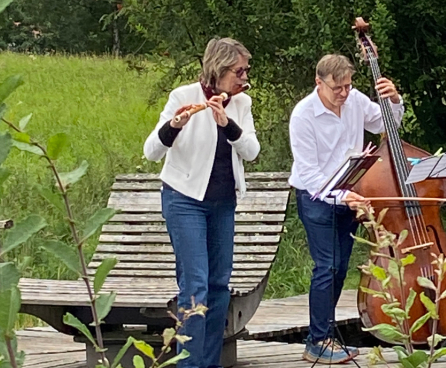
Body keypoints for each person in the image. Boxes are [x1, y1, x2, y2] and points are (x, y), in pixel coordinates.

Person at [143, 38, 260, 368]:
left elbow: (251, 152)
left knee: (219, 285)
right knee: (195, 286)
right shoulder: (183, 97)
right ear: (219, 69)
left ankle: (209, 362)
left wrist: (228, 125)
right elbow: (151, 151)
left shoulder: (241, 103)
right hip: (184, 200)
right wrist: (174, 125)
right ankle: (189, 364)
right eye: (239, 71)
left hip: (222, 203)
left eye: (245, 71)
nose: (244, 77)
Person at [288, 54, 402, 364]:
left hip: (351, 192)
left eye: (348, 86)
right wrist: (342, 196)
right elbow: (310, 175)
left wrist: (394, 101)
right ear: (319, 82)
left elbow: (386, 125)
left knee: (339, 268)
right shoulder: (303, 115)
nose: (344, 93)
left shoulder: (356, 100)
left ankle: (324, 334)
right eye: (337, 87)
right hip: (316, 197)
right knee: (326, 265)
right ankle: (317, 340)